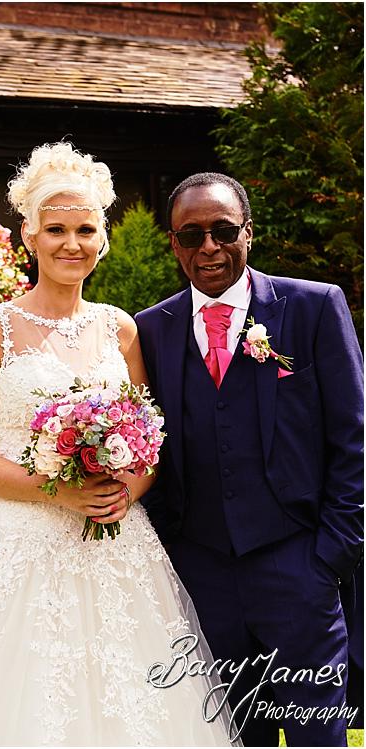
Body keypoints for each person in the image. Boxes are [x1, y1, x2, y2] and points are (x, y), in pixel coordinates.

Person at [0, 143, 234, 746]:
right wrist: (59, 492)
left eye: (85, 228)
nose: (72, 243)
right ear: (29, 236)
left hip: (118, 547)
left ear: (103, 236)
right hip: (22, 548)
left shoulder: (121, 327)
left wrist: (124, 491)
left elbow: (148, 438)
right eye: (56, 229)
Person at [135, 172, 364, 746]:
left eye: (222, 230)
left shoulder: (312, 308)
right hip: (201, 575)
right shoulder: (149, 330)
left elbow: (354, 440)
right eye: (191, 235)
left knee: (318, 734)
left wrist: (329, 556)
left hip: (299, 566)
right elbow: (147, 446)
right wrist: (173, 547)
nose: (208, 247)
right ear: (174, 245)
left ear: (248, 233)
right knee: (232, 737)